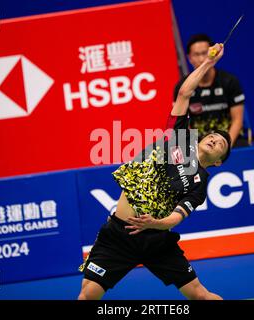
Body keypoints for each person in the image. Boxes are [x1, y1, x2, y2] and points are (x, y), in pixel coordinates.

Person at [78, 43, 230, 300]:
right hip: (118, 235)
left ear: (218, 162)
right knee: (87, 295)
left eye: (222, 144)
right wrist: (208, 64)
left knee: (201, 296)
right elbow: (184, 93)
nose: (215, 139)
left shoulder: (200, 184)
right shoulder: (180, 140)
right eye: (214, 135)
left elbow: (176, 218)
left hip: (156, 240)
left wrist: (155, 223)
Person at [174, 34, 247, 147]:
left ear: (213, 54)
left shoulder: (229, 81)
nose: (202, 59)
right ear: (189, 58)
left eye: (204, 53)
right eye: (196, 54)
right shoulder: (183, 87)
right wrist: (195, 149)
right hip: (198, 145)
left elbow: (237, 120)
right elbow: (181, 124)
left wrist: (225, 146)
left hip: (229, 141)